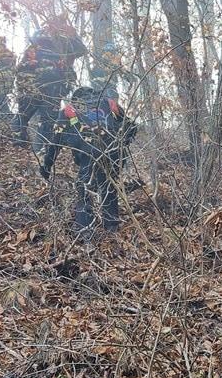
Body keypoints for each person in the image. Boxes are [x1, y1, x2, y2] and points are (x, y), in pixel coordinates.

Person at [14, 16, 88, 178]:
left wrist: (72, 35)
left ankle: (36, 150)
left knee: (40, 118)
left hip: (50, 84)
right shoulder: (43, 38)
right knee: (31, 116)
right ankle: (26, 148)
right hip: (38, 84)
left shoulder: (62, 39)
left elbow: (81, 50)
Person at [59, 84, 135, 238]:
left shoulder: (69, 109)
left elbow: (55, 138)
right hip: (113, 153)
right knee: (108, 185)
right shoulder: (109, 102)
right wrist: (121, 143)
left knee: (83, 188)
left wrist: (46, 165)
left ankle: (85, 231)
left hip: (88, 154)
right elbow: (131, 127)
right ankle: (111, 227)